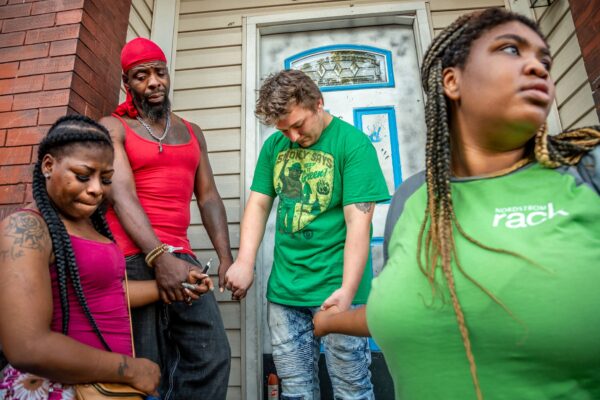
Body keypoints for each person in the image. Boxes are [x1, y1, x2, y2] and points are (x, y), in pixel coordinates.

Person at [313, 7, 600, 400]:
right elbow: (414, 312)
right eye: (512, 50)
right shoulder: (413, 198)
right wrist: (331, 322)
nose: (538, 67)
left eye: (545, 60)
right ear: (452, 80)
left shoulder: (587, 172)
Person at [0, 115, 210, 398]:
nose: (97, 189)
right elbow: (28, 346)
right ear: (48, 165)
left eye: (106, 178)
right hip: (61, 389)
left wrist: (176, 287)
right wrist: (131, 369)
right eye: (83, 176)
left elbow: (105, 293)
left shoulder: (89, 225)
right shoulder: (26, 228)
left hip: (109, 388)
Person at [224, 69, 390, 399]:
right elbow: (258, 206)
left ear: (318, 104)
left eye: (298, 125)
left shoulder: (353, 145)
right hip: (285, 293)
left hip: (337, 290)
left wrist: (347, 290)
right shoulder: (275, 147)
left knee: (352, 390)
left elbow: (359, 224)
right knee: (297, 393)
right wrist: (244, 261)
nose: (293, 137)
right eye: (284, 129)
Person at [98, 37, 233, 399]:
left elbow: (208, 197)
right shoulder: (113, 127)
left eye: (160, 72)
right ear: (128, 84)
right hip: (132, 257)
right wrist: (158, 257)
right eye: (142, 76)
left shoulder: (192, 132)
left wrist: (225, 256)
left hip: (182, 257)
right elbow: (121, 194)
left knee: (211, 356)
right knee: (147, 361)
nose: (154, 82)